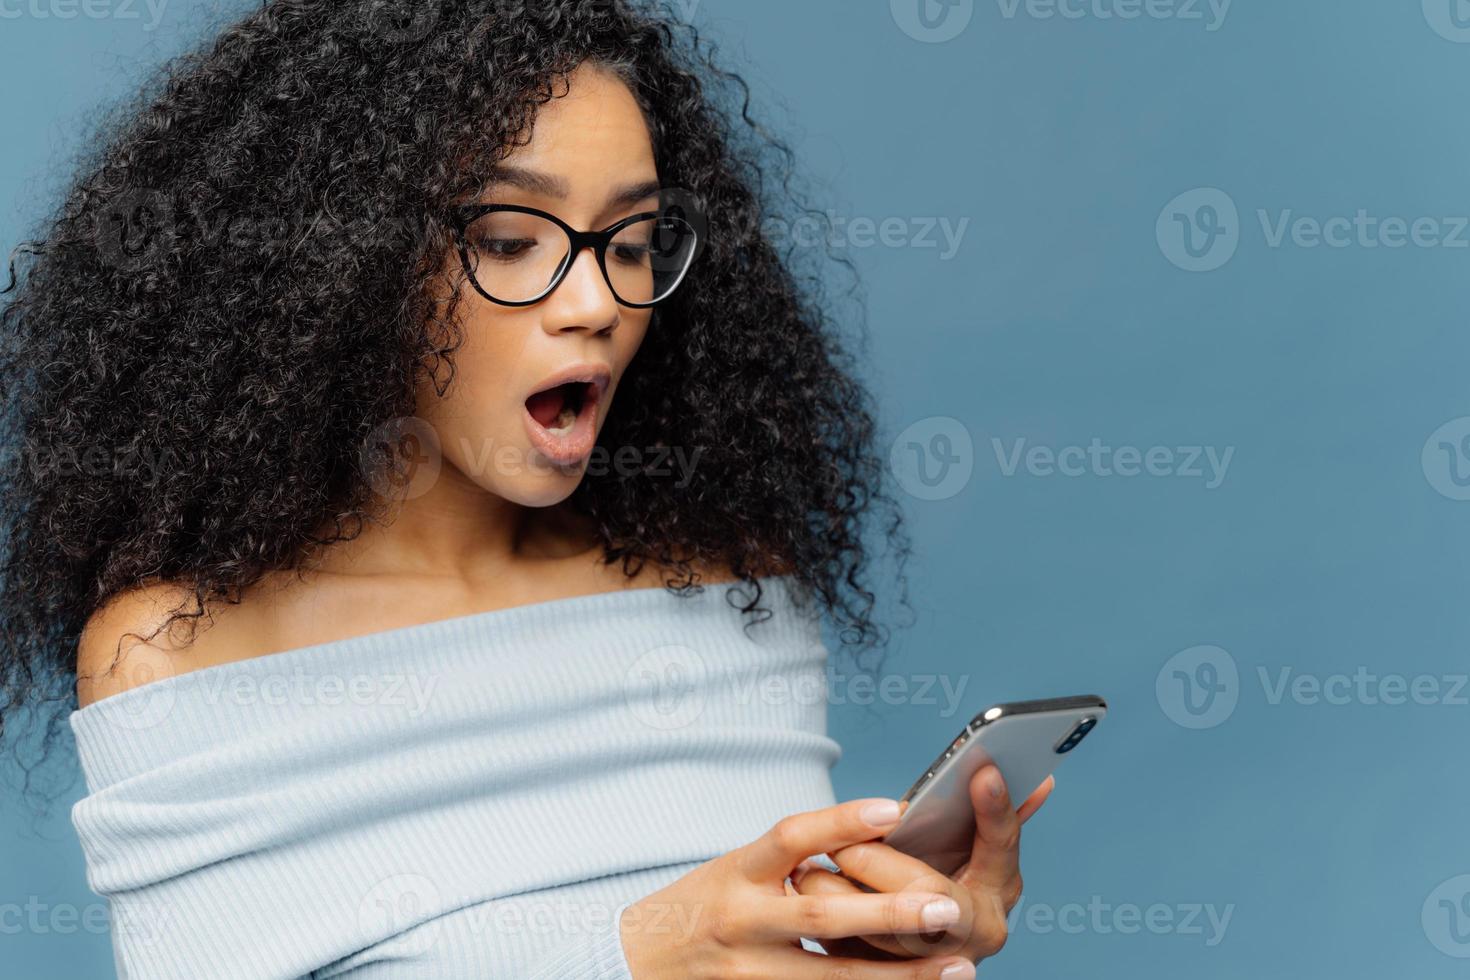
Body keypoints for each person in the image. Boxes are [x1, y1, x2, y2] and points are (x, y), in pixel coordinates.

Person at [0, 2, 1050, 976]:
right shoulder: (177, 649)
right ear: (343, 265)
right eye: (509, 239)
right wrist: (632, 954)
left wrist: (872, 941)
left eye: (636, 243)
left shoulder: (729, 585)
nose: (597, 299)